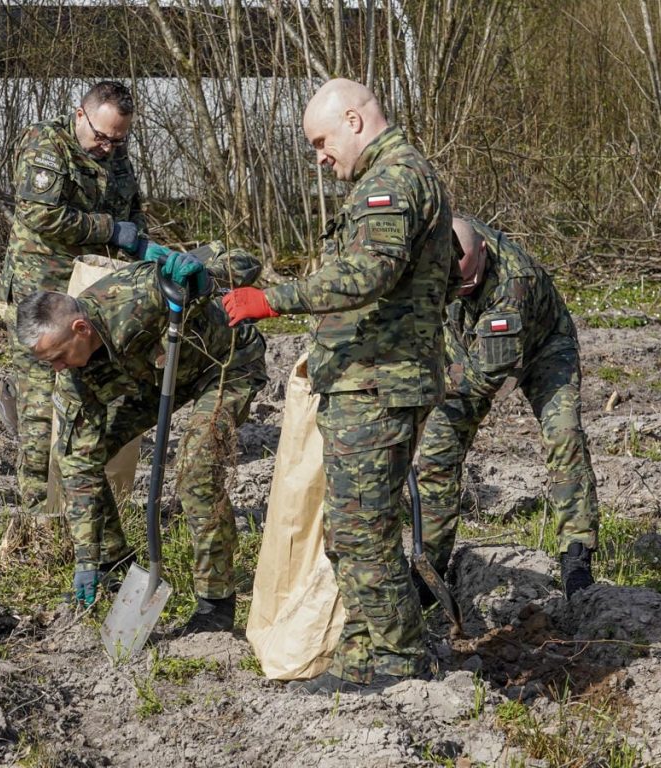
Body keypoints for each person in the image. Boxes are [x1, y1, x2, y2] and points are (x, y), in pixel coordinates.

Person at [223, 79, 456, 694]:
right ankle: (360, 656)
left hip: (378, 384)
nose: (320, 158)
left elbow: (363, 277)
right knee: (354, 528)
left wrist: (273, 299)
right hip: (369, 379)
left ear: (354, 121)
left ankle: (402, 661)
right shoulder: (390, 179)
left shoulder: (393, 181)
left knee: (361, 533)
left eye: (322, 142)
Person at [16, 246, 268, 633]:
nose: (58, 368)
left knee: (196, 471)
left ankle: (215, 604)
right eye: (49, 362)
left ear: (80, 329)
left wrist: (206, 276)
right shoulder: (74, 378)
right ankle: (113, 562)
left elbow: (247, 263)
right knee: (80, 454)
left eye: (60, 356)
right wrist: (87, 557)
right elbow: (78, 464)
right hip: (156, 378)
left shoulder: (139, 291)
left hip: (224, 364)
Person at [416, 215, 598, 599]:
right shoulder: (427, 255)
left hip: (543, 349)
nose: (460, 290)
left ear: (482, 249)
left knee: (564, 435)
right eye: (451, 284)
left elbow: (485, 380)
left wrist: (431, 382)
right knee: (436, 454)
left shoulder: (514, 284)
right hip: (464, 348)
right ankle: (430, 567)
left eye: (467, 282)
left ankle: (576, 556)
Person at [0, 80, 151, 510]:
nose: (108, 147)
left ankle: (85, 504)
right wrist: (108, 230)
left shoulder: (117, 155)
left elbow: (132, 210)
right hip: (41, 290)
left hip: (90, 293)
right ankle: (36, 510)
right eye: (101, 137)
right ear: (81, 115)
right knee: (43, 402)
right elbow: (40, 213)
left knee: (89, 394)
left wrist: (138, 243)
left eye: (118, 139)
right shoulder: (48, 145)